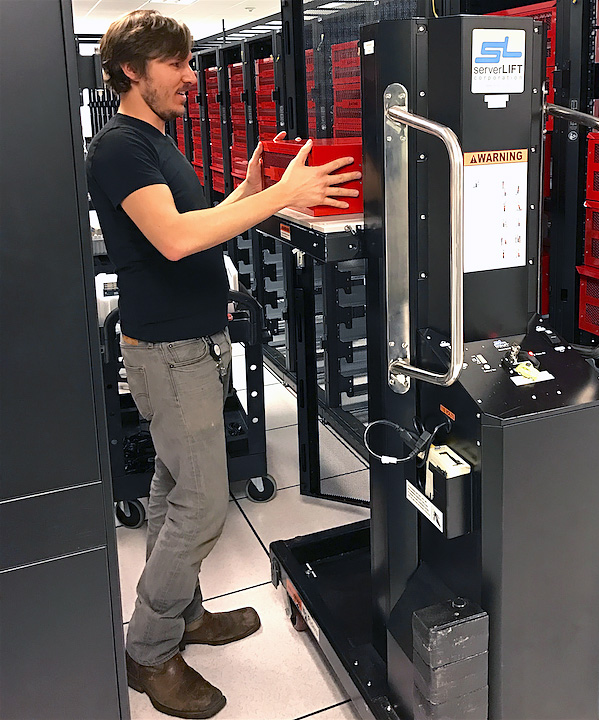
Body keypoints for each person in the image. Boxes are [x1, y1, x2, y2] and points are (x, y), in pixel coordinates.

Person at [86, 10, 360, 719]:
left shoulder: (154, 141)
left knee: (174, 489)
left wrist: (247, 192)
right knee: (204, 504)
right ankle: (149, 650)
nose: (188, 77)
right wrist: (279, 199)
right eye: (174, 64)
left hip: (193, 344)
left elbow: (196, 227)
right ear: (130, 71)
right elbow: (174, 240)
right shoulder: (120, 147)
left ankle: (185, 615)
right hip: (169, 353)